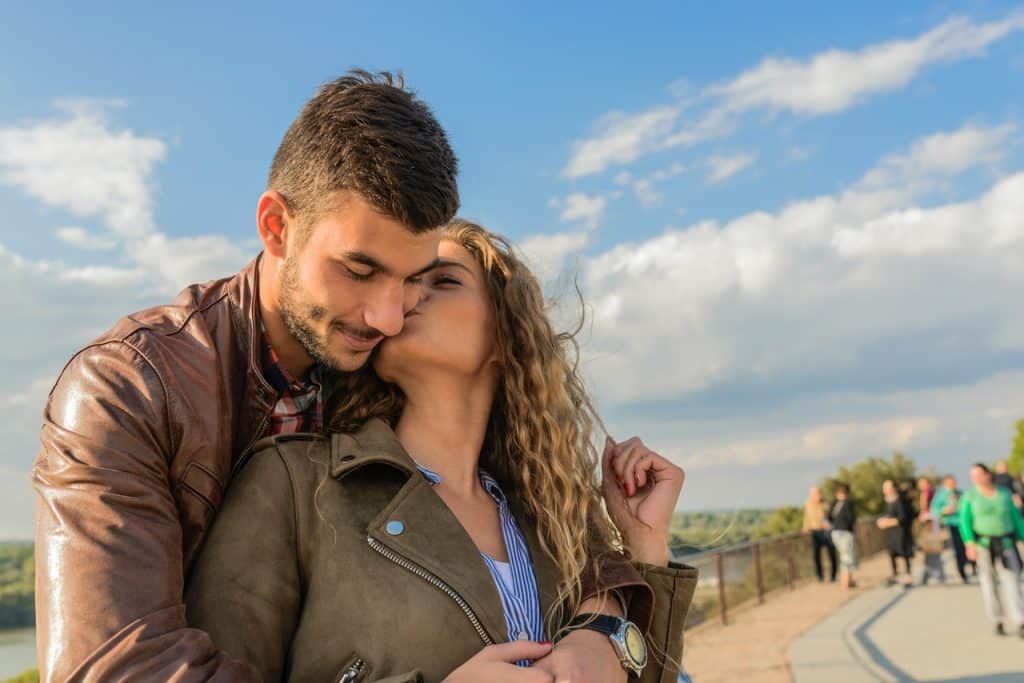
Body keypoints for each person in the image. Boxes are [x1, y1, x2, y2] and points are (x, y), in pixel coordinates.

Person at [32, 72, 652, 682]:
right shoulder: (127, 388)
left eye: (414, 277)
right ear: (276, 227)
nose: (389, 315)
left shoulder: (378, 377)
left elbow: (557, 522)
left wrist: (608, 625)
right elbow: (115, 669)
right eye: (359, 269)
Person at [185, 221, 697, 681]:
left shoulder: (550, 519)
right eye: (406, 282)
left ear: (506, 338)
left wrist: (645, 548)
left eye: (443, 280)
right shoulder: (294, 484)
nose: (406, 298)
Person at [960, 462, 1024, 638]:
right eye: (973, 476)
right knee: (988, 582)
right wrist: (969, 543)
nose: (977, 479)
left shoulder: (1004, 494)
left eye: (979, 475)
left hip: (1005, 542)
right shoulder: (970, 496)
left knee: (1012, 579)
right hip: (984, 544)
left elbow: (1015, 518)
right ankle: (998, 619)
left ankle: (1019, 619)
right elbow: (964, 522)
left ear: (988, 475)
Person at [931, 475, 972, 583]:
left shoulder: (960, 493)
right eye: (950, 482)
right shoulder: (941, 495)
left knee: (965, 547)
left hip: (962, 523)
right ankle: (961, 571)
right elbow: (934, 509)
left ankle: (970, 566)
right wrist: (943, 511)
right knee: (956, 549)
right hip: (950, 524)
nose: (953, 484)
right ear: (945, 483)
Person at [878, 480, 914, 587]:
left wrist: (887, 522)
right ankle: (895, 575)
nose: (884, 490)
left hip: (901, 532)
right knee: (892, 553)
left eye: (887, 488)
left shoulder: (900, 501)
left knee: (904, 553)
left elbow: (903, 518)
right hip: (891, 532)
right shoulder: (887, 501)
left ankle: (908, 576)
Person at [802, 487, 837, 582]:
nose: (815, 495)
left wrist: (829, 525)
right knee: (816, 555)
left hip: (826, 532)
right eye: (813, 493)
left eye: (817, 493)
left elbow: (831, 516)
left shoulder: (826, 503)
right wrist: (805, 527)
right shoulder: (808, 504)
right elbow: (806, 517)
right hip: (814, 532)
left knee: (831, 554)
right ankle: (819, 576)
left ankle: (833, 576)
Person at [827, 484, 858, 589]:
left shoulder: (834, 503)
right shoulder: (848, 503)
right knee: (847, 557)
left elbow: (828, 517)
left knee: (844, 556)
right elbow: (851, 519)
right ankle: (846, 583)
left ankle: (848, 581)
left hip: (835, 533)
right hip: (846, 533)